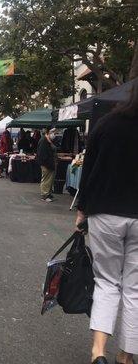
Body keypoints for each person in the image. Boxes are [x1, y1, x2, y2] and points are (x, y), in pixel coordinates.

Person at [75, 83, 138, 364]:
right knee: (135, 288)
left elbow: (89, 170)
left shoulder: (107, 124)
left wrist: (82, 211)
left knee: (107, 282)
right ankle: (126, 356)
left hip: (105, 211)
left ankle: (98, 351)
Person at [36, 128, 57, 202]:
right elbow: (43, 155)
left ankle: (47, 194)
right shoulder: (43, 141)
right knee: (46, 180)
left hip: (49, 164)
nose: (54, 135)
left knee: (49, 180)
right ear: (48, 133)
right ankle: (44, 195)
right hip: (46, 164)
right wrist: (48, 164)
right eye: (53, 133)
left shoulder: (47, 141)